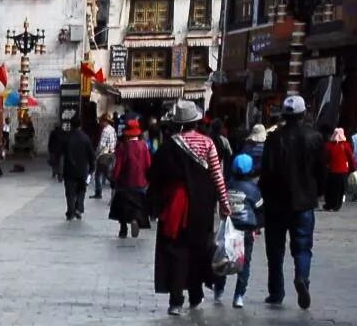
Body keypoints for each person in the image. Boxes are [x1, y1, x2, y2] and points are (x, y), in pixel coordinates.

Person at [149, 102, 230, 314]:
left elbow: (154, 176)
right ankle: (196, 295)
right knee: (198, 249)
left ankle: (176, 300)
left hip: (176, 206)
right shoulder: (208, 143)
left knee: (176, 250)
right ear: (195, 121)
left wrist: (155, 205)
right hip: (202, 206)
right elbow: (217, 175)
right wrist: (225, 204)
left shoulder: (168, 146)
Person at [260, 93, 324, 309]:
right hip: (304, 202)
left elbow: (266, 172)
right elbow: (321, 170)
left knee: (275, 250)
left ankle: (276, 292)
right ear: (304, 113)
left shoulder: (273, 138)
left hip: (276, 203)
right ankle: (302, 277)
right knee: (303, 246)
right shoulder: (314, 137)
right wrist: (319, 192)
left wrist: (264, 196)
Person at [220, 151, 263, 309]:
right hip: (246, 230)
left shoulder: (227, 185)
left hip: (229, 229)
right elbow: (259, 209)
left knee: (225, 260)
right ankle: (238, 295)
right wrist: (257, 227)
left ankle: (219, 289)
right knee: (244, 263)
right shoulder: (253, 189)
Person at [109, 119, 152, 238]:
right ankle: (135, 220)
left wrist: (114, 178)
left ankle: (123, 228)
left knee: (122, 206)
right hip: (140, 182)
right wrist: (148, 179)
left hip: (124, 182)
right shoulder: (144, 146)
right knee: (137, 205)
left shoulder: (123, 147)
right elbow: (148, 164)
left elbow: (118, 165)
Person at [62, 117, 95, 220]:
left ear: (71, 125)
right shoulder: (85, 138)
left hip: (69, 169)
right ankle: (78, 208)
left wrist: (59, 170)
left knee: (70, 192)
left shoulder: (67, 138)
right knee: (81, 189)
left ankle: (70, 211)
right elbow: (91, 155)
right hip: (82, 169)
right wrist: (92, 168)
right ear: (80, 125)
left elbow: (62, 155)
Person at [322, 126, 353, 211]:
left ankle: (328, 204)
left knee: (329, 189)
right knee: (340, 190)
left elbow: (325, 158)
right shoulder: (346, 145)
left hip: (331, 171)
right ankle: (336, 205)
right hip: (343, 172)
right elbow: (351, 158)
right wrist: (353, 168)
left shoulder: (328, 145)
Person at [94, 115, 117, 200]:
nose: (100, 123)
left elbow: (102, 145)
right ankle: (112, 187)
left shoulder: (105, 131)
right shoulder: (112, 129)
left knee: (99, 174)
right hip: (112, 153)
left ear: (104, 121)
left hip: (104, 154)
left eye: (101, 121)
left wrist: (96, 154)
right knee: (108, 171)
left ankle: (98, 192)